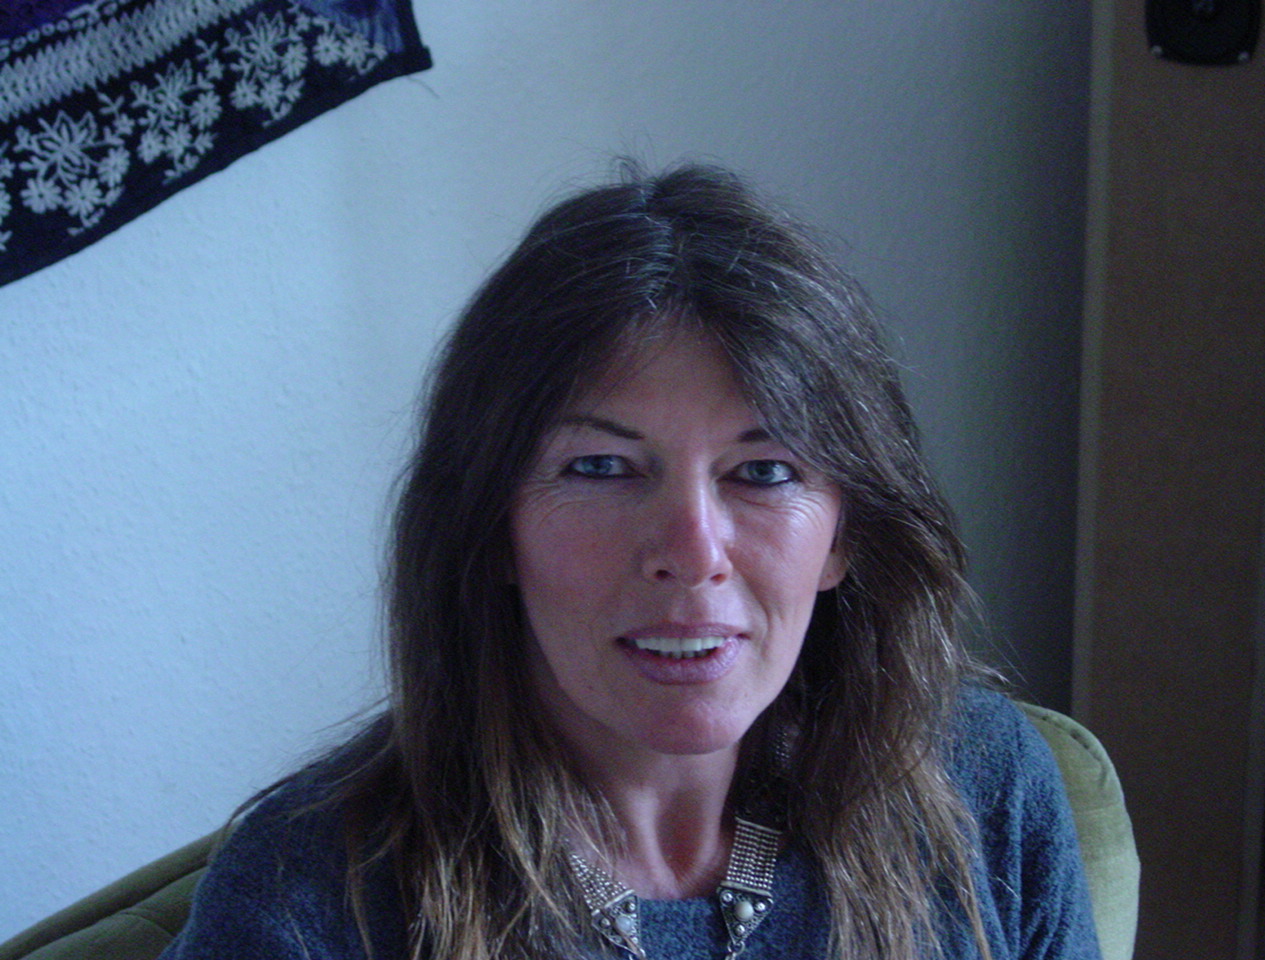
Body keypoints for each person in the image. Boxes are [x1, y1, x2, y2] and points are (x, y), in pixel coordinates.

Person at [160, 164, 1100, 960]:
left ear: (845, 533)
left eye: (764, 472)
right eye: (602, 468)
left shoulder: (981, 786)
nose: (691, 555)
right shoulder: (310, 899)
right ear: (489, 526)